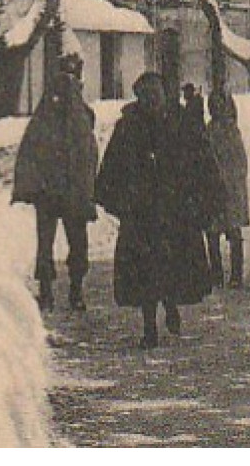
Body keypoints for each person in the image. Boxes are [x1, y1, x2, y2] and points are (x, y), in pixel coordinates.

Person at [95, 72, 222, 347]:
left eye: (156, 95)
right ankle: (150, 327)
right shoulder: (129, 127)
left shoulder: (178, 123)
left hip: (171, 212)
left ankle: (171, 307)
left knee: (166, 268)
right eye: (148, 96)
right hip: (144, 214)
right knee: (148, 274)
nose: (153, 101)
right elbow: (111, 170)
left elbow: (200, 161)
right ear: (141, 98)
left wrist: (201, 196)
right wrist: (122, 202)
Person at [12, 54, 99, 311]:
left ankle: (47, 292)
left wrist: (30, 186)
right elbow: (88, 154)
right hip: (72, 190)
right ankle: (76, 291)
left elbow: (30, 150)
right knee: (77, 240)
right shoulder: (82, 115)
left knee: (46, 241)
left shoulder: (45, 111)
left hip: (47, 191)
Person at [204, 87, 250, 288]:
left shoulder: (231, 131)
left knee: (233, 232)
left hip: (230, 190)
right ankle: (217, 274)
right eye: (214, 105)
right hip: (214, 189)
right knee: (212, 234)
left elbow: (240, 162)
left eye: (219, 105)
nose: (216, 109)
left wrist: (231, 182)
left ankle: (235, 275)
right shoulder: (208, 130)